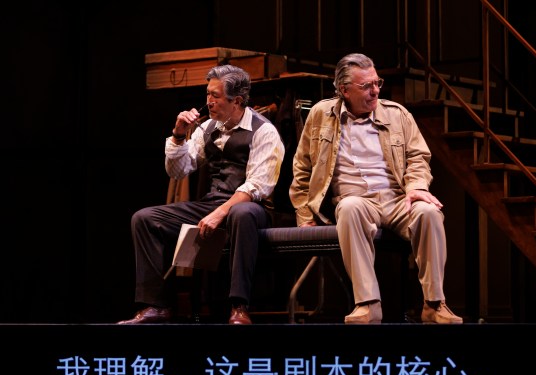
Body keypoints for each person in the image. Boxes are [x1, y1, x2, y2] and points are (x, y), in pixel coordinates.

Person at [289, 53, 462, 324]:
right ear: (344, 90)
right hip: (355, 199)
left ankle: (434, 304)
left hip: (397, 200)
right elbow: (302, 167)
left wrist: (416, 187)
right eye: (366, 86)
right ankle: (368, 304)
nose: (375, 91)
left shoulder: (397, 114)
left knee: (429, 212)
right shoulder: (321, 115)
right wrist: (305, 214)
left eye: (377, 83)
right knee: (349, 208)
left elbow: (419, 157)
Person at [117, 64, 285, 325]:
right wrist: (178, 135)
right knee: (145, 219)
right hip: (214, 203)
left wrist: (220, 213)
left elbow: (257, 186)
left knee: (241, 212)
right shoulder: (208, 127)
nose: (209, 101)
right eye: (208, 93)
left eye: (215, 96)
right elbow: (178, 170)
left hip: (253, 208)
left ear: (236, 100)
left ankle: (239, 307)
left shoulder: (263, 131)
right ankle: (157, 306)